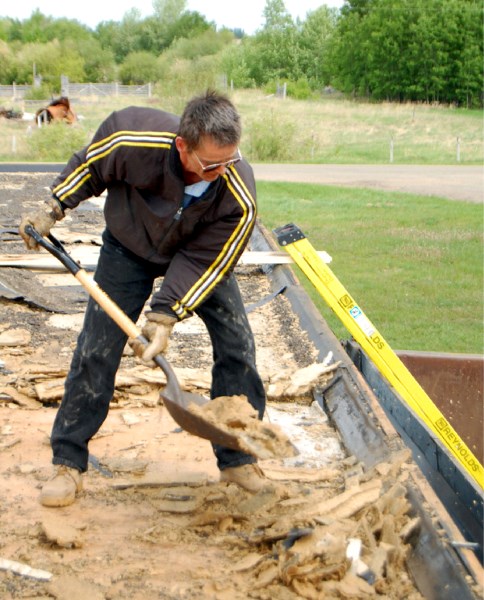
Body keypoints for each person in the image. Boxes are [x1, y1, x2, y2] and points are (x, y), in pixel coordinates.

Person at [19, 90, 268, 506]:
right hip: (128, 246)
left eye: (230, 160)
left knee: (238, 346)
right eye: (210, 164)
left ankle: (238, 459)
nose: (221, 171)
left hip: (196, 255)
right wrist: (54, 207)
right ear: (182, 146)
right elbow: (91, 168)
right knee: (96, 349)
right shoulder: (132, 138)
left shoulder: (237, 192)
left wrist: (166, 314)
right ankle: (68, 460)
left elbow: (209, 259)